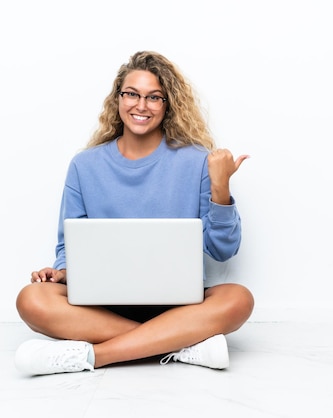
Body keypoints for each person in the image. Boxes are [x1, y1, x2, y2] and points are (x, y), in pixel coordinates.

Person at [14, 51, 254, 375]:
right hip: (102, 307)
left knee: (238, 299)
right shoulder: (84, 167)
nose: (141, 106)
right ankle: (182, 345)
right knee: (32, 299)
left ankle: (93, 356)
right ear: (118, 99)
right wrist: (62, 272)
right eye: (132, 94)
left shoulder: (197, 161)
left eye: (154, 97)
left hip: (179, 305)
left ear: (167, 105)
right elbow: (68, 248)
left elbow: (222, 251)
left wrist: (220, 187)